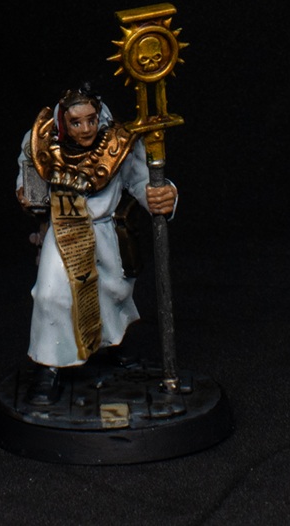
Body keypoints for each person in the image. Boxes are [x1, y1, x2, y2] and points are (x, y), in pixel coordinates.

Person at [15, 85, 177, 404]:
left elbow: (140, 180)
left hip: (105, 230)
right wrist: (28, 195)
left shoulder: (117, 144)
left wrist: (161, 195)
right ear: (64, 123)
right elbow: (29, 180)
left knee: (112, 290)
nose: (86, 129)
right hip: (64, 229)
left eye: (91, 120)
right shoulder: (43, 143)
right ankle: (49, 366)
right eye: (77, 123)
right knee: (51, 294)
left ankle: (113, 343)